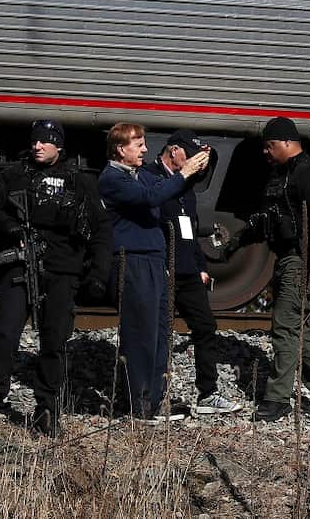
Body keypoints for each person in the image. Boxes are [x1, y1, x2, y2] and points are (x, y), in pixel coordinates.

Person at [0, 120, 111, 436]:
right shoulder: (13, 176)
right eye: (35, 141)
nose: (38, 146)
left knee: (54, 341)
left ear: (59, 146)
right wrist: (11, 228)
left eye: (46, 141)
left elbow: (102, 231)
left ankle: (47, 409)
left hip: (63, 272)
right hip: (20, 267)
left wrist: (99, 274)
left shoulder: (79, 182)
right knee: (4, 334)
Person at [99, 122, 210, 420]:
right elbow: (151, 198)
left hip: (154, 261)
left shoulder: (138, 177)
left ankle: (156, 400)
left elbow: (164, 193)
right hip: (134, 261)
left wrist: (191, 172)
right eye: (139, 145)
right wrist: (184, 172)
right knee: (141, 335)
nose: (146, 150)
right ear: (121, 149)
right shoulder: (113, 179)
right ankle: (141, 405)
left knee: (160, 333)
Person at [250, 117, 310, 422]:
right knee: (296, 328)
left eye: (270, 145)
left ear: (288, 142)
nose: (265, 152)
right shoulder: (282, 174)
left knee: (284, 326)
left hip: (303, 262)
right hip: (288, 258)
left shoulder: (309, 174)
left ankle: (277, 399)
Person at [146, 129, 241, 416]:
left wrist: (201, 267)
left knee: (205, 327)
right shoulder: (149, 179)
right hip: (161, 269)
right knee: (159, 334)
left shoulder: (186, 187)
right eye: (190, 155)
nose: (195, 164)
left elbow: (189, 231)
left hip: (188, 271)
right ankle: (155, 398)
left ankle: (208, 393)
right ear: (174, 151)